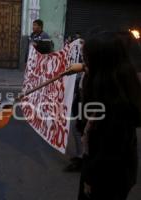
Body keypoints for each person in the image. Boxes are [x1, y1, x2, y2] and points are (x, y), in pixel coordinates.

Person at [77, 31, 141, 200]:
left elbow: (109, 153)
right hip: (99, 169)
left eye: (87, 59)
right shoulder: (104, 86)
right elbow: (83, 121)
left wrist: (90, 179)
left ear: (101, 65)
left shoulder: (118, 106)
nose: (83, 63)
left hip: (108, 179)